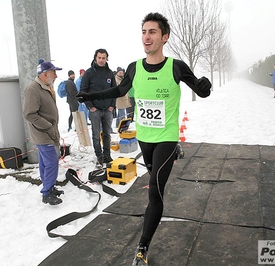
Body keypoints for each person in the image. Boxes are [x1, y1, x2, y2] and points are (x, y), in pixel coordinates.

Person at [76, 13, 212, 265]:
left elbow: (201, 90)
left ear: (164, 37)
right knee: (153, 176)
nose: (146, 37)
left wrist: (206, 85)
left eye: (152, 32)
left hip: (167, 136)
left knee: (155, 191)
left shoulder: (176, 67)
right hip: (145, 137)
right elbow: (119, 90)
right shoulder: (134, 68)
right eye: (144, 32)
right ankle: (174, 153)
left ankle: (142, 247)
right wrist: (90, 96)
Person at [23, 59, 64, 205]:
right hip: (42, 132)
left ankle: (50, 187)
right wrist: (47, 125)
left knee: (45, 162)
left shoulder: (46, 86)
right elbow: (29, 114)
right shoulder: (33, 89)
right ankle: (46, 193)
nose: (56, 76)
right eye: (54, 73)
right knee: (52, 162)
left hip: (48, 131)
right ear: (45, 74)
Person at [80, 48, 116, 165]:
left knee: (107, 134)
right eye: (99, 58)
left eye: (103, 58)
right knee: (96, 135)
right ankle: (99, 156)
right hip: (95, 110)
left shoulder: (110, 73)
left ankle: (107, 155)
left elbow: (115, 90)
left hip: (108, 110)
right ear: (95, 58)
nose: (101, 60)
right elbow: (83, 91)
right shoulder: (89, 73)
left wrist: (112, 105)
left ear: (107, 59)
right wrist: (90, 106)